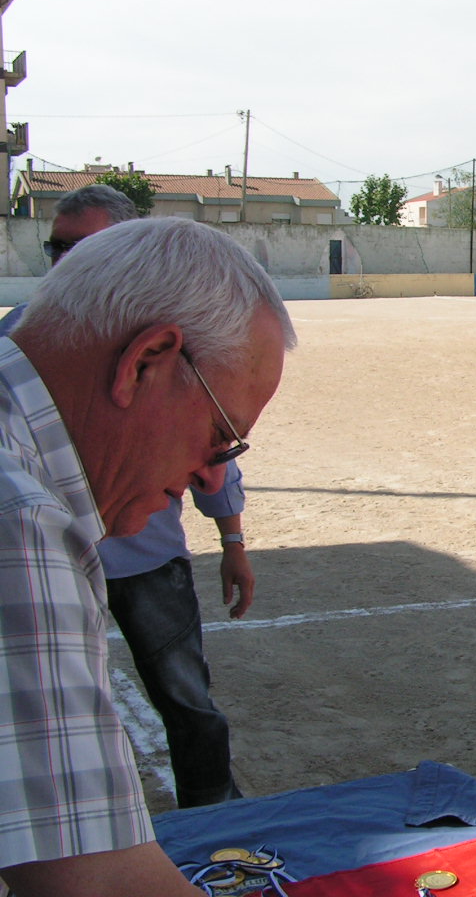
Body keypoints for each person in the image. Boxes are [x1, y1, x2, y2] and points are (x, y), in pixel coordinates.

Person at [0, 216, 293, 897]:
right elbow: (100, 882)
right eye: (220, 434)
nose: (212, 476)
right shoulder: (21, 523)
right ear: (145, 362)